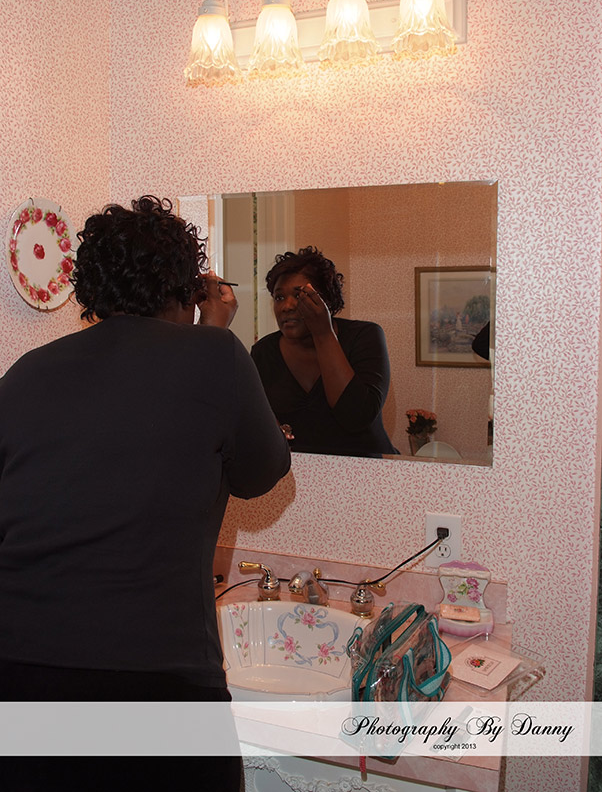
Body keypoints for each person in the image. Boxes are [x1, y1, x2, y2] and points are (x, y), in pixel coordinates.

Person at [0, 195, 291, 790]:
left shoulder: (27, 371)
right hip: (157, 679)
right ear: (186, 288)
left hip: (21, 679)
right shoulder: (216, 355)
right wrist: (213, 330)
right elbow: (262, 472)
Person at [250, 245, 399, 457]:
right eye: (279, 297)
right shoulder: (263, 352)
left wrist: (323, 334)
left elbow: (357, 416)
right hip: (302, 472)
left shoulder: (365, 336)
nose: (286, 306)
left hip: (368, 469)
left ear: (326, 300)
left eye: (299, 295)